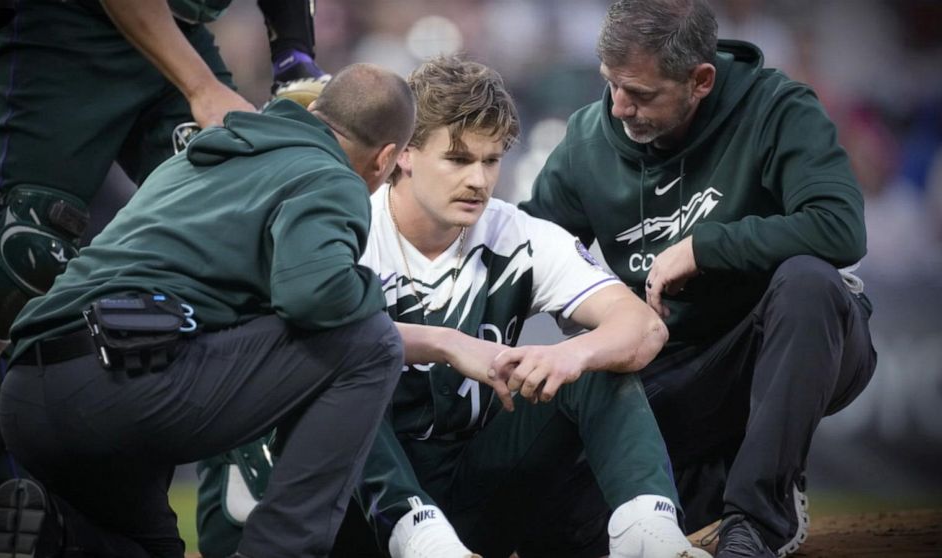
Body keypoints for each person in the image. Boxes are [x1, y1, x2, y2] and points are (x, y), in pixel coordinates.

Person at [196, 55, 712, 558]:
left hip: (466, 501)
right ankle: (420, 536)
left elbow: (643, 328)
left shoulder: (516, 235)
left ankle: (648, 534)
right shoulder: (343, 226)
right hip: (341, 509)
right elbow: (289, 345)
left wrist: (572, 356)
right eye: (459, 158)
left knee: (600, 366)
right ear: (403, 154)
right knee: (333, 362)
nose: (479, 181)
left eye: (491, 161)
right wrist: (445, 346)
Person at [0, 63, 416, 558]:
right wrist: (376, 295)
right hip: (122, 388)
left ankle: (60, 539)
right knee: (371, 341)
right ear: (386, 159)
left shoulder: (196, 156)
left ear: (313, 110)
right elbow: (313, 294)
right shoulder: (330, 175)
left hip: (27, 392)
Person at [0, 1, 328, 554]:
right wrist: (200, 86)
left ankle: (195, 525)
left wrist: (296, 56)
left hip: (179, 27)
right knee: (22, 254)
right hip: (60, 27)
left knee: (238, 241)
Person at [519, 1, 877, 557]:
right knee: (556, 517)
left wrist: (707, 246)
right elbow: (525, 251)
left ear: (701, 80)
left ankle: (759, 520)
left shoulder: (778, 107)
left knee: (809, 282)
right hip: (677, 366)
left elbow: (840, 229)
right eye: (611, 85)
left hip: (795, 342)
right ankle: (710, 489)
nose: (619, 107)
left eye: (640, 94)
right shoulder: (586, 141)